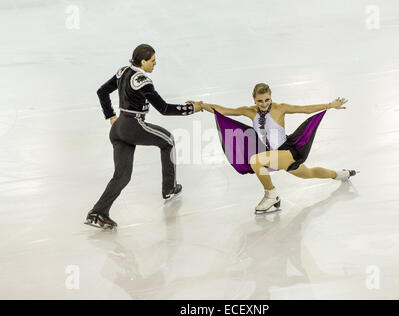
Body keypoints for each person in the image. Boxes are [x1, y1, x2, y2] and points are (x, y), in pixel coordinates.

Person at [86, 44, 202, 229]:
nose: (155, 64)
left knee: (122, 176)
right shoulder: (142, 80)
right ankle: (169, 189)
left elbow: (102, 91)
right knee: (168, 140)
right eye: (153, 61)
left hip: (118, 129)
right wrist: (192, 109)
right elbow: (164, 109)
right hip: (133, 126)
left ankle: (98, 212)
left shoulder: (122, 71)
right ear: (143, 61)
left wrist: (110, 116)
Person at [194, 83, 357, 214]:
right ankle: (340, 174)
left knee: (255, 160)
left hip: (287, 152)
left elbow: (305, 109)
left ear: (271, 97)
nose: (264, 104)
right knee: (308, 174)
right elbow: (224, 110)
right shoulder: (250, 112)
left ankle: (271, 194)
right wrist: (201, 105)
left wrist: (330, 105)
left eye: (267, 99)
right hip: (274, 156)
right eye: (260, 101)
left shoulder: (280, 108)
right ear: (254, 100)